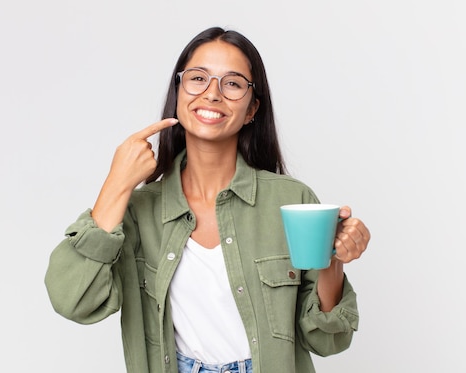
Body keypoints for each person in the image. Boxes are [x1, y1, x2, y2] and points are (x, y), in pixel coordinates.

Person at [45, 26, 370, 373]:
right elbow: (72, 302)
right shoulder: (138, 210)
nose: (212, 94)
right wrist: (116, 184)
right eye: (198, 78)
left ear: (251, 109)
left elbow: (327, 340)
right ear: (179, 92)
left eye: (232, 83)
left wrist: (334, 258)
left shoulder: (293, 199)